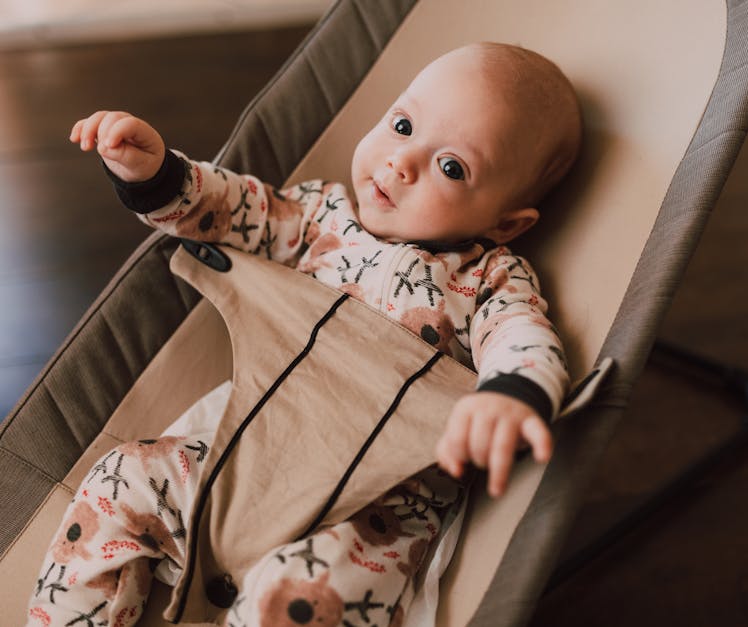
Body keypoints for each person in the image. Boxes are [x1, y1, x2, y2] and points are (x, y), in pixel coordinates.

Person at [27, 42, 581, 626]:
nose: (400, 163)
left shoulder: (488, 278)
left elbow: (524, 338)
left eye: (451, 167)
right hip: (241, 456)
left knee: (305, 600)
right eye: (402, 125)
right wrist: (158, 173)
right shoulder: (320, 216)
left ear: (506, 223)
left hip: (373, 508)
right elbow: (228, 209)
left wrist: (510, 393)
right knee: (124, 477)